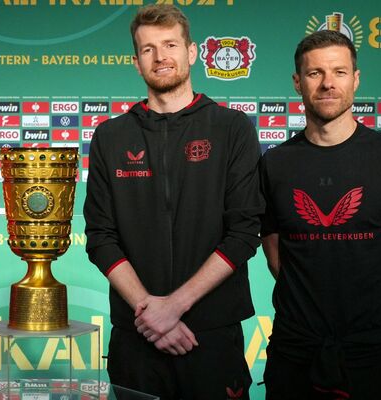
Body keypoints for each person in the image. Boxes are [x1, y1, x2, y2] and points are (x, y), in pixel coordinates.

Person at [84, 4, 263, 399]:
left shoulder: (232, 128)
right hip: (137, 335)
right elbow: (100, 236)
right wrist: (150, 311)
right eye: (148, 49)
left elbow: (244, 232)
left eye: (169, 45)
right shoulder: (111, 137)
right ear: (136, 62)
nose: (160, 57)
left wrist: (174, 307)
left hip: (211, 335)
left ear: (192, 52)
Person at [259, 30, 381, 399]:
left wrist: (377, 306)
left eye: (338, 72)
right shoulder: (274, 164)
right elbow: (275, 254)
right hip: (296, 349)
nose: (327, 84)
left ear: (355, 79)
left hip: (379, 349)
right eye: (314, 73)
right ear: (297, 82)